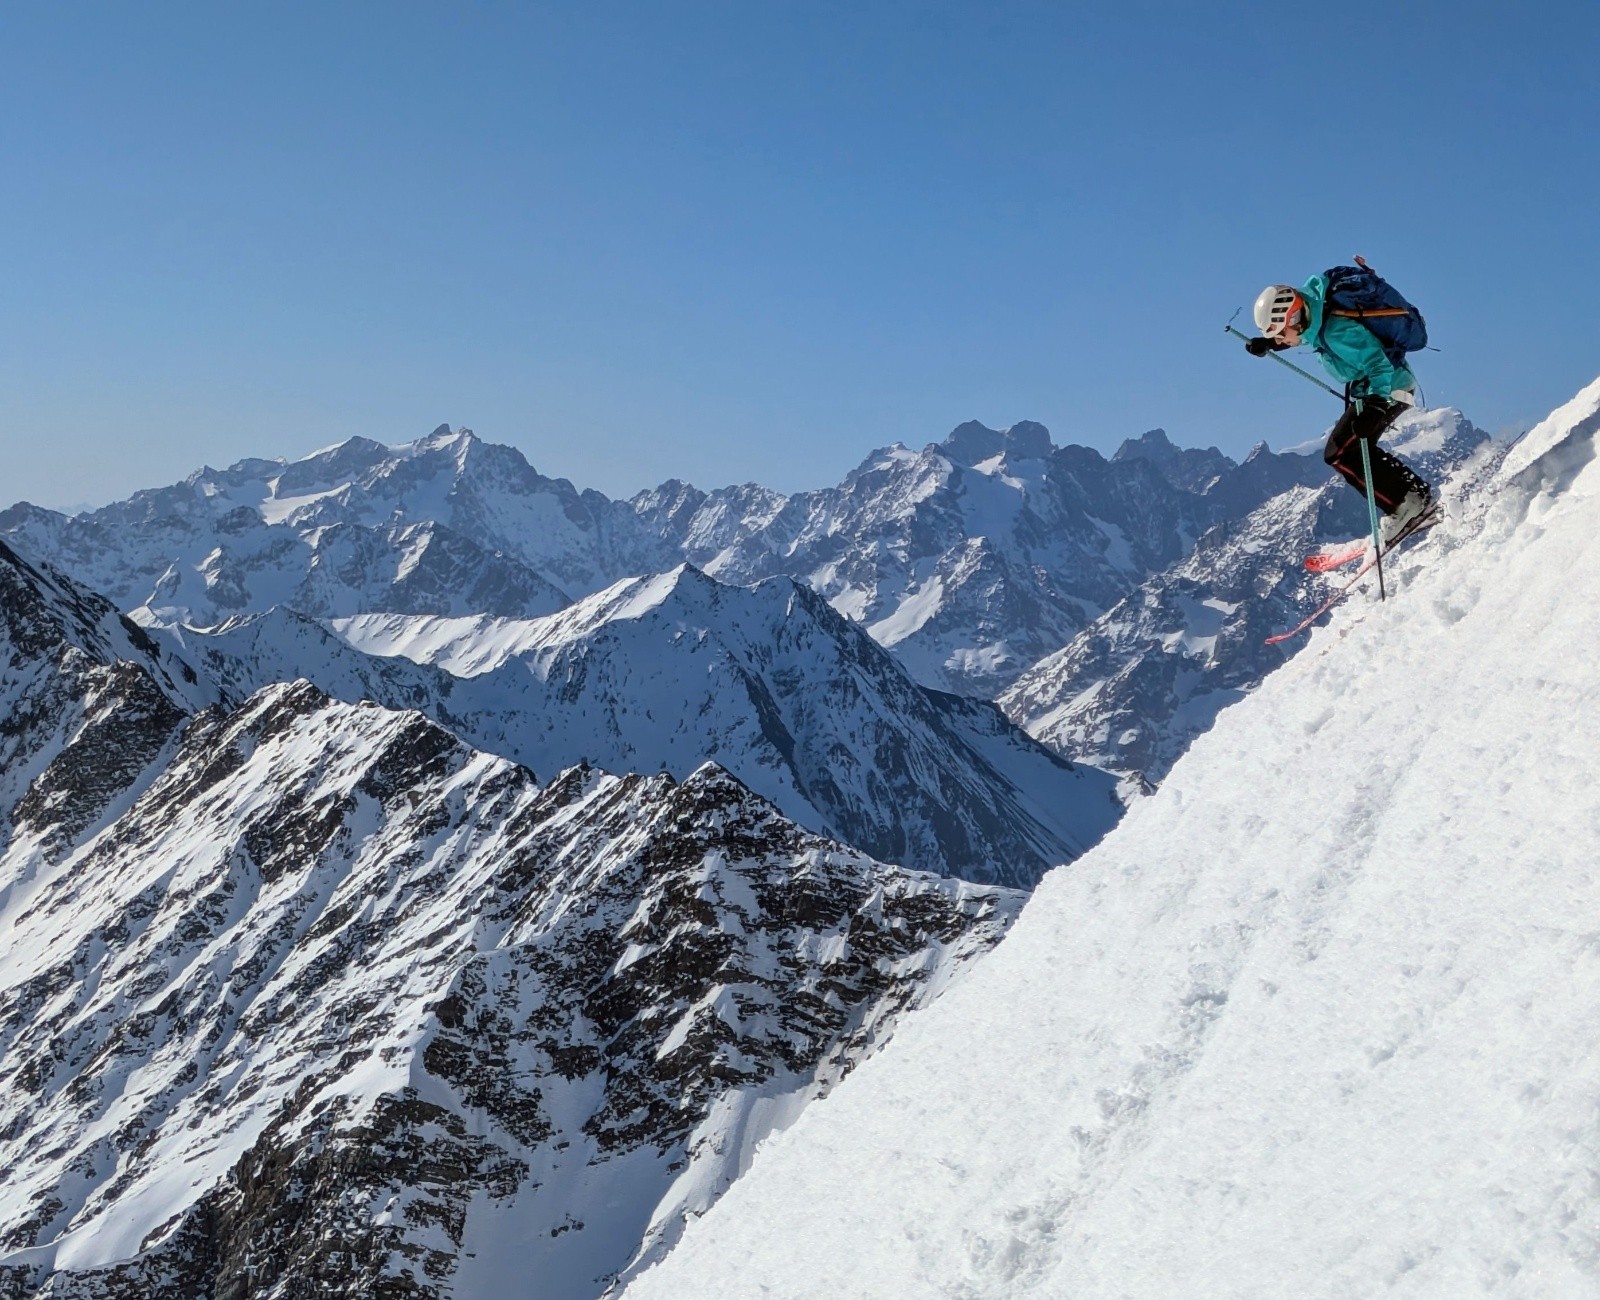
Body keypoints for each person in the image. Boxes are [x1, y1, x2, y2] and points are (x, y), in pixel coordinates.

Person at [1246, 276, 1434, 546]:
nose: (1279, 339)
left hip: (1385, 391)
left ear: (1291, 318)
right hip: (1381, 391)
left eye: (1278, 333)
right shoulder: (1318, 317)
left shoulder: (1336, 331)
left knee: (1340, 453)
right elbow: (1302, 333)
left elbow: (1377, 364)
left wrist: (1377, 405)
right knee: (1352, 450)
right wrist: (1270, 345)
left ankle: (1408, 506)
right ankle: (1413, 497)